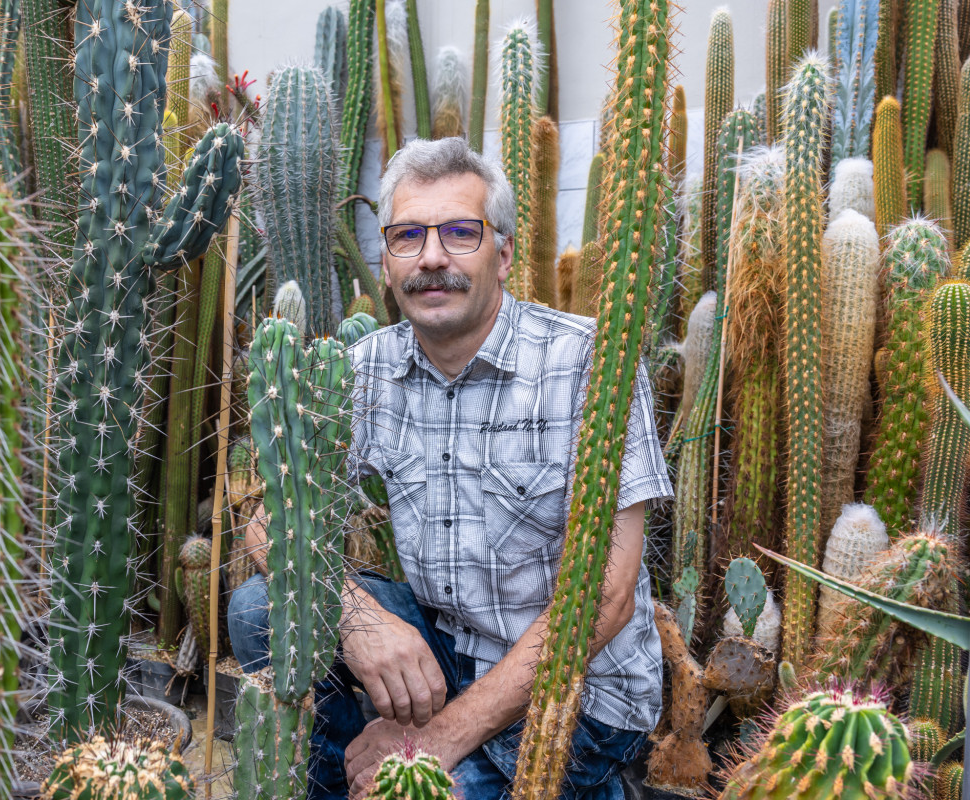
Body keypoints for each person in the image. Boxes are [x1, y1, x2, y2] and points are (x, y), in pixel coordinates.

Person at [228, 136, 673, 800]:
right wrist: (358, 618)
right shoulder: (365, 368)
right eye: (407, 236)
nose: (432, 258)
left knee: (421, 787)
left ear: (505, 252)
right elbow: (269, 523)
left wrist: (433, 741)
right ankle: (356, 770)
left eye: (460, 233)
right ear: (386, 261)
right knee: (260, 610)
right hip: (449, 648)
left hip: (574, 697)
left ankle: (461, 770)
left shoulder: (587, 365)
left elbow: (603, 602)